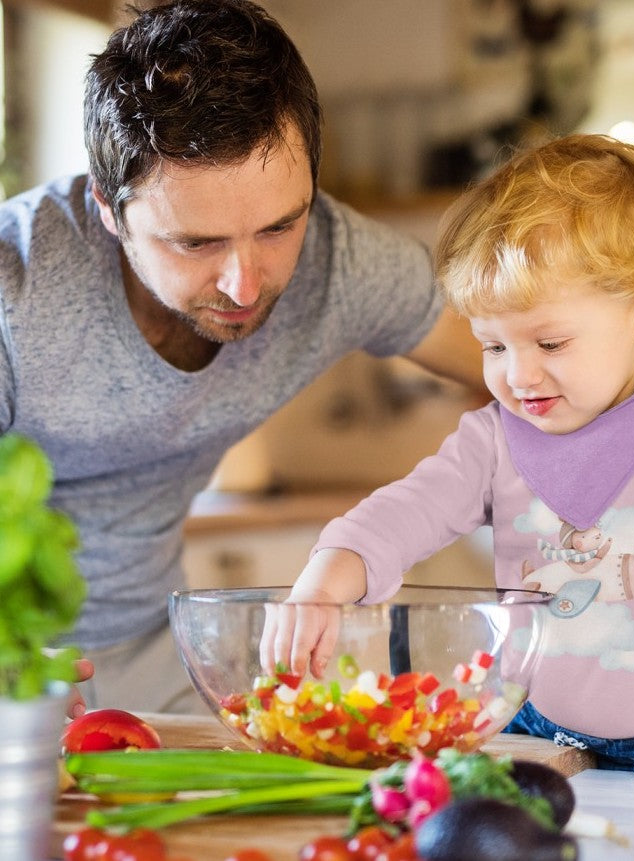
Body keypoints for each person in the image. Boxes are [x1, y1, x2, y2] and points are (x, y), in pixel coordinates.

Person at [261, 133, 634, 774]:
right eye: (494, 346)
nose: (519, 376)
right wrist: (325, 579)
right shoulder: (492, 441)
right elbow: (405, 512)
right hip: (540, 734)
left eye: (550, 344)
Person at [0, 0, 485, 717]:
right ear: (109, 207)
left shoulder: (342, 261)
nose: (245, 283)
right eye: (194, 242)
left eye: (279, 226)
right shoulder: (19, 287)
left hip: (156, 657)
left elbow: (529, 374)